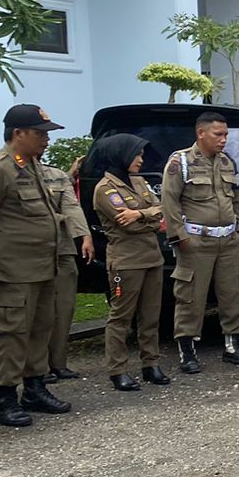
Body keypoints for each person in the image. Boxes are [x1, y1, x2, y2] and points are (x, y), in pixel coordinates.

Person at [0, 104, 72, 425]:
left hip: (43, 267)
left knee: (39, 329)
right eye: (40, 133)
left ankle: (34, 388)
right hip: (12, 271)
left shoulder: (31, 166)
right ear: (18, 133)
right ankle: (4, 399)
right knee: (11, 333)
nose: (46, 140)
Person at [162, 111, 239, 373]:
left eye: (226, 134)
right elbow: (169, 201)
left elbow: (237, 199)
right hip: (196, 241)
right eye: (218, 134)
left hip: (227, 241)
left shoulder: (227, 162)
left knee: (232, 293)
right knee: (191, 297)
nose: (223, 139)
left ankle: (233, 346)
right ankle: (187, 351)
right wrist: (180, 237)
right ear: (201, 133)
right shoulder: (180, 162)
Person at [87, 135, 170, 391]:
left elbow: (163, 208)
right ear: (121, 154)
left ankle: (150, 364)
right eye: (137, 154)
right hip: (126, 262)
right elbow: (130, 225)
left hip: (151, 258)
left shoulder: (138, 181)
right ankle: (118, 369)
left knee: (150, 315)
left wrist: (141, 213)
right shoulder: (105, 189)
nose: (141, 159)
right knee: (121, 317)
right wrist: (150, 220)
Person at [41, 157, 93, 380]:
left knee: (64, 308)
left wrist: (85, 235)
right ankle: (37, 368)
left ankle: (58, 363)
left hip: (62, 247)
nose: (46, 140)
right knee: (36, 312)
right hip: (32, 250)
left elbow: (72, 206)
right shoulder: (7, 171)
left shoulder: (56, 175)